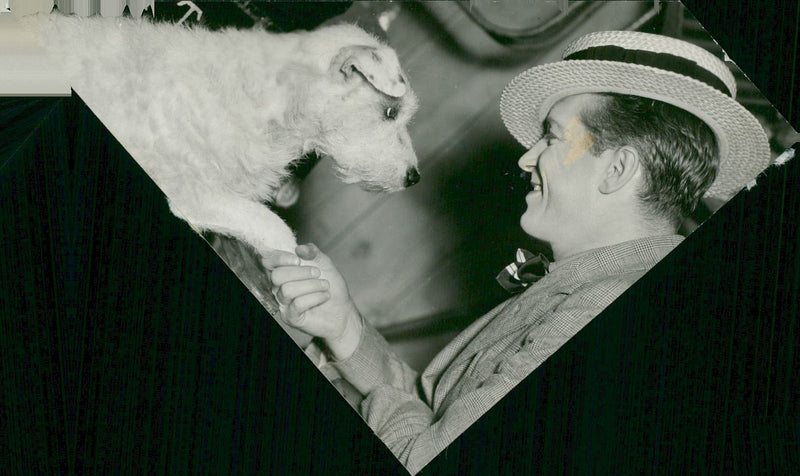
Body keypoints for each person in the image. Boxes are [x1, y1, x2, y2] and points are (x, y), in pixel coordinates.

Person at [262, 30, 771, 474]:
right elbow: (432, 412)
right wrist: (345, 327)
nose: (527, 157)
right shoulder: (587, 287)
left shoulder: (599, 306)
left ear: (617, 170)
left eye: (550, 137)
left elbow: (421, 455)